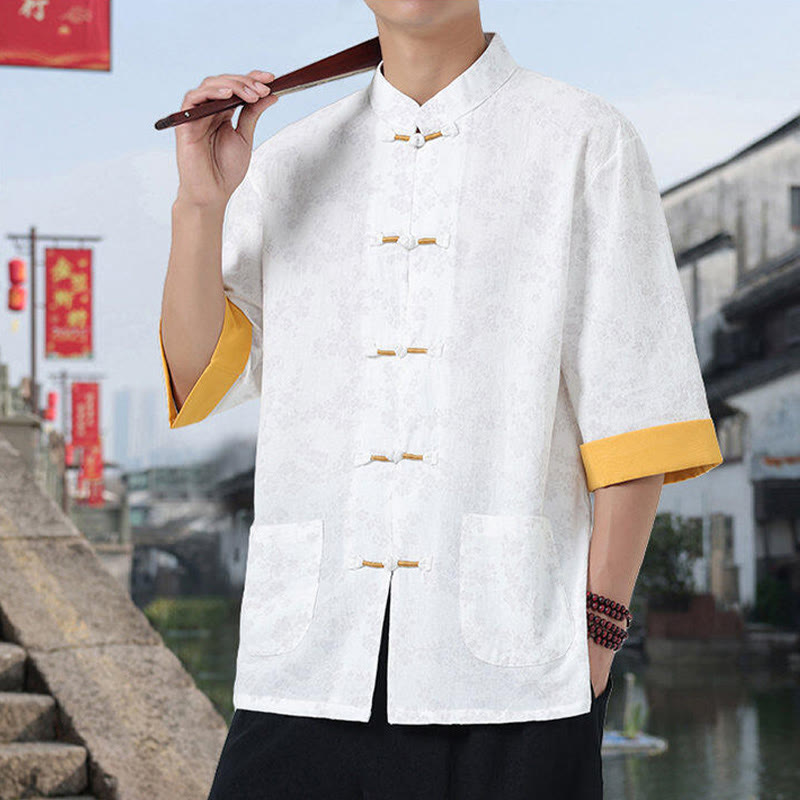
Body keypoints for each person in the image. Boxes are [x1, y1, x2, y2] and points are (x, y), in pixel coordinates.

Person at [159, 1, 724, 797]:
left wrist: (598, 637)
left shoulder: (584, 140)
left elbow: (636, 414)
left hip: (513, 675)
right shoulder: (286, 163)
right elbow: (197, 377)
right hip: (310, 661)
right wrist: (200, 205)